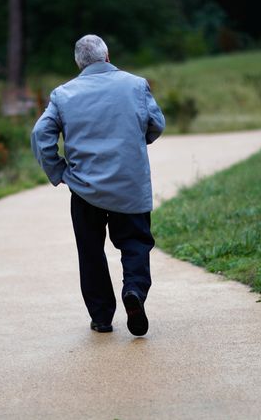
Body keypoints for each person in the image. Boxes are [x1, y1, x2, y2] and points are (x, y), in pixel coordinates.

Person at [31, 34, 165, 336]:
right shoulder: (136, 84)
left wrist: (59, 171)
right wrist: (136, 142)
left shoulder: (63, 95)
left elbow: (41, 136)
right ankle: (133, 291)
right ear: (107, 56)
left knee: (91, 251)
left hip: (84, 189)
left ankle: (102, 317)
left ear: (79, 64)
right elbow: (156, 124)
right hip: (129, 185)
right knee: (134, 243)